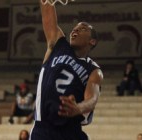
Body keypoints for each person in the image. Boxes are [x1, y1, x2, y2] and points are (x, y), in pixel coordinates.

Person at [30, 1, 103, 140]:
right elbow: (46, 9)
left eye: (82, 29)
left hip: (71, 130)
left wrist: (79, 108)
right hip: (43, 128)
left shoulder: (94, 70)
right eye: (74, 28)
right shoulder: (57, 44)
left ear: (92, 41)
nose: (75, 30)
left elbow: (92, 99)